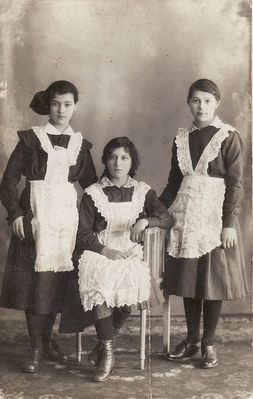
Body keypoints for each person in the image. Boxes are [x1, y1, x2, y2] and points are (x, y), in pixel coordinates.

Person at [0, 80, 97, 373]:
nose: (61, 110)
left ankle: (48, 341)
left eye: (68, 104)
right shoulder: (32, 140)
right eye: (56, 104)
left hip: (66, 221)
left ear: (75, 106)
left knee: (56, 282)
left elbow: (92, 188)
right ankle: (35, 347)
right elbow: (8, 181)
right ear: (49, 105)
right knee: (34, 283)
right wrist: (15, 213)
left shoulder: (80, 145)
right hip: (35, 217)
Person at [59, 136, 172, 382]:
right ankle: (108, 353)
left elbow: (165, 217)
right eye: (112, 157)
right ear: (105, 161)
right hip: (100, 251)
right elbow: (83, 233)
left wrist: (145, 220)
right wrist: (105, 251)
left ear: (132, 161)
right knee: (101, 279)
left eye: (124, 157)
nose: (118, 163)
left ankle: (102, 345)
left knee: (130, 279)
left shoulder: (143, 191)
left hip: (130, 252)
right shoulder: (93, 193)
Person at [159, 79, 248, 368]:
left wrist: (229, 222)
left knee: (211, 283)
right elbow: (174, 182)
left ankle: (208, 343)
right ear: (189, 103)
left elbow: (236, 183)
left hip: (213, 219)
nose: (201, 106)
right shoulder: (182, 138)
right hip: (186, 217)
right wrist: (156, 212)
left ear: (217, 103)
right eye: (196, 100)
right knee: (189, 282)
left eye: (207, 101)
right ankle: (193, 338)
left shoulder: (229, 136)